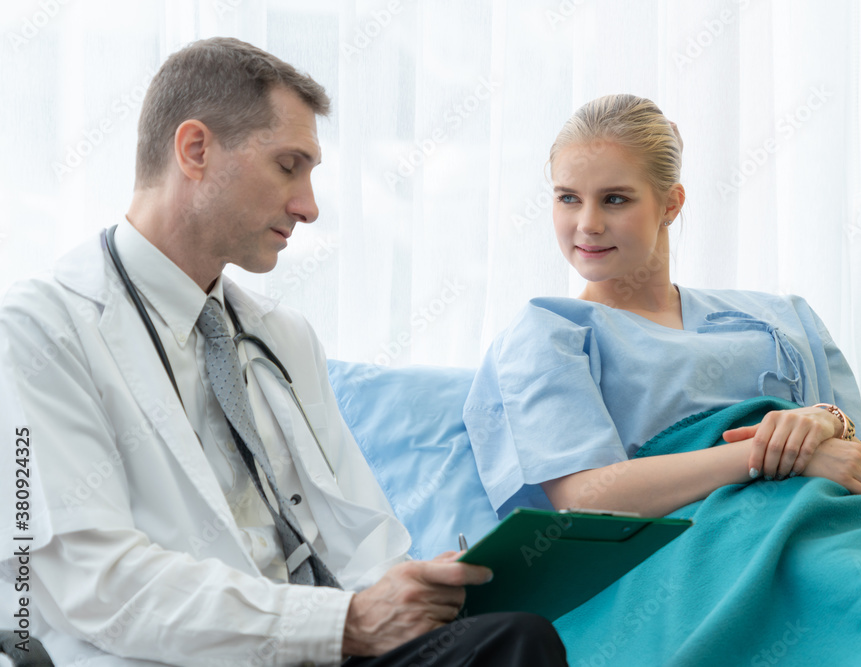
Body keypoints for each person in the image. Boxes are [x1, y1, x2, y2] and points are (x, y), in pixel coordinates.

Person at [0, 37, 566, 667]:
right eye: (288, 166)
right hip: (178, 657)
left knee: (513, 633)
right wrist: (342, 624)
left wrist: (416, 592)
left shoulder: (282, 334)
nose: (309, 206)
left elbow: (368, 546)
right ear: (195, 150)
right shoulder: (38, 329)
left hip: (324, 649)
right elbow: (94, 584)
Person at [463, 94, 861, 665]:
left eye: (615, 199)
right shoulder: (550, 332)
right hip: (702, 555)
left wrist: (828, 423)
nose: (587, 223)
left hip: (845, 528)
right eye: (567, 198)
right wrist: (776, 455)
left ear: (672, 203)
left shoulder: (783, 318)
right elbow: (584, 501)